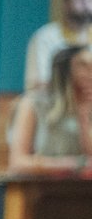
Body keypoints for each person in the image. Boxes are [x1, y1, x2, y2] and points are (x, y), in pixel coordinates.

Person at [7, 44, 92, 176]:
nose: (90, 71)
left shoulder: (88, 108)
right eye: (83, 65)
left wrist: (83, 116)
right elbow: (18, 163)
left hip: (82, 188)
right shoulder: (33, 103)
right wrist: (74, 164)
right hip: (40, 189)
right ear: (64, 71)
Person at [24, 0, 92, 93]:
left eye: (90, 0)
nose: (86, 6)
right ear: (66, 3)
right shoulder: (45, 37)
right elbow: (40, 83)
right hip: (56, 105)